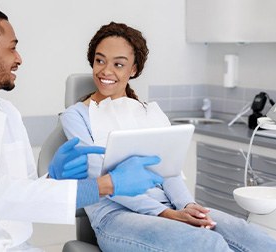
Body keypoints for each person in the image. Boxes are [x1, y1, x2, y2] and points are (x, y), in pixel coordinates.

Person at [0, 7, 164, 252]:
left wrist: (52, 180)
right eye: (11, 49)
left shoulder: (7, 114)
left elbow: (21, 194)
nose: (19, 59)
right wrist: (105, 185)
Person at [60, 21, 276, 252]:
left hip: (168, 206)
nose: (106, 71)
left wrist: (188, 206)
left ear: (133, 70)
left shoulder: (148, 112)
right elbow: (98, 176)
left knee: (252, 237)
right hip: (115, 216)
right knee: (206, 242)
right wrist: (166, 214)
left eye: (118, 64)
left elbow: (169, 171)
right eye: (100, 60)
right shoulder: (76, 116)